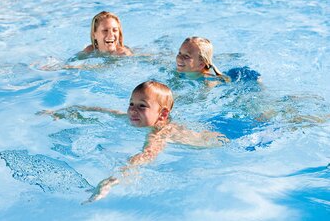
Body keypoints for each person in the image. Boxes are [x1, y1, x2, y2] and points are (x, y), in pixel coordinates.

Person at [79, 80, 228, 203]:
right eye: (131, 104)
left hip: (220, 142)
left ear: (162, 114)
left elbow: (146, 156)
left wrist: (110, 181)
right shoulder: (135, 117)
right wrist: (75, 112)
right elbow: (106, 112)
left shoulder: (159, 132)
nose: (132, 110)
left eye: (142, 106)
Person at [176, 36, 261, 85]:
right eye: (179, 53)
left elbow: (202, 101)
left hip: (239, 77)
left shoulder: (208, 81)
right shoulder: (179, 70)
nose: (179, 58)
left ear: (201, 64)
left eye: (186, 56)